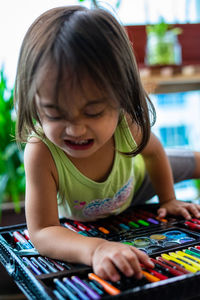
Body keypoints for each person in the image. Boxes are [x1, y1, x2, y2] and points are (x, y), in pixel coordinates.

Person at [14, 5, 200, 282]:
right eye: (55, 114)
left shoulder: (126, 124)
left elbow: (155, 152)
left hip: (138, 182)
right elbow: (42, 232)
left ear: (121, 99)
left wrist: (169, 199)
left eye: (93, 112)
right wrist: (96, 249)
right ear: (34, 103)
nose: (75, 129)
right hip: (87, 215)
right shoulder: (41, 151)